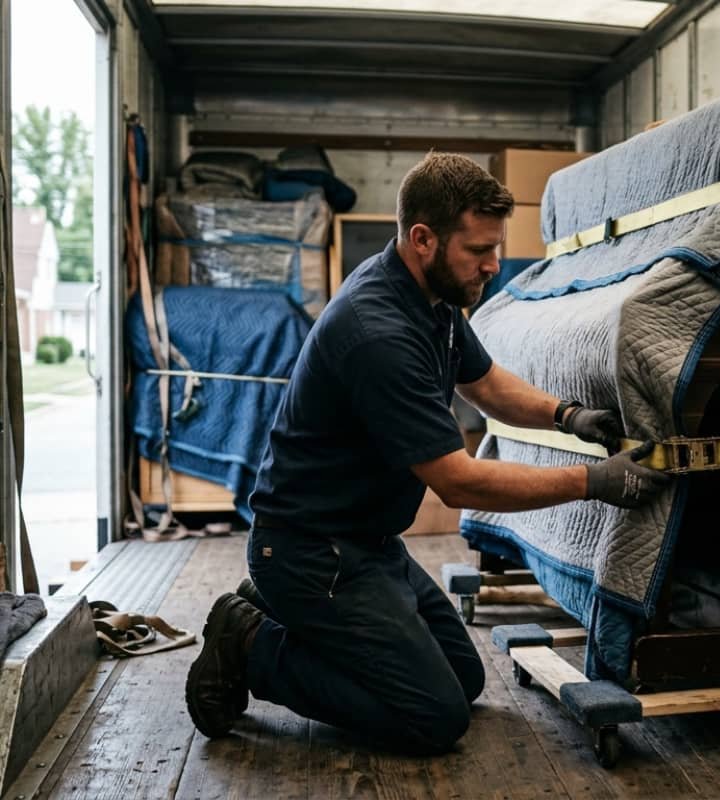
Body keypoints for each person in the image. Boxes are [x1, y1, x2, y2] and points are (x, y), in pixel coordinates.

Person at [183, 153, 671, 753]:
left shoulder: (431, 299)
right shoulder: (378, 333)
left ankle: (281, 610)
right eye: (478, 250)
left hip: (367, 545)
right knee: (434, 717)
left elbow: (485, 383)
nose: (494, 265)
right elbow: (459, 483)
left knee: (462, 681)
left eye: (495, 248)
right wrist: (594, 482)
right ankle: (251, 643)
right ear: (422, 238)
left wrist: (569, 416)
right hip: (312, 553)